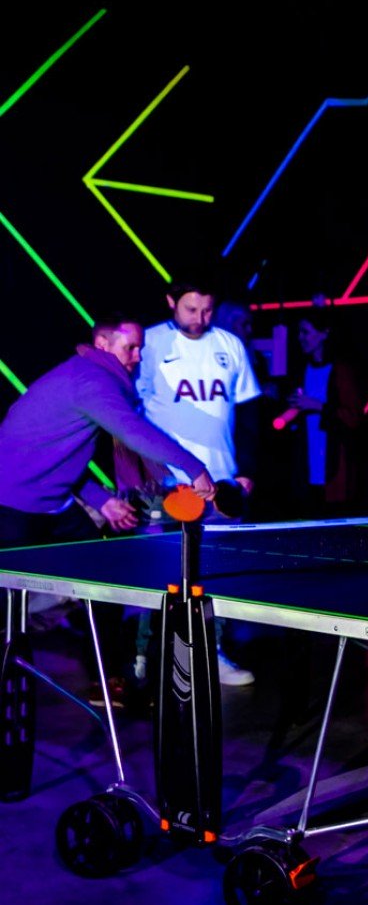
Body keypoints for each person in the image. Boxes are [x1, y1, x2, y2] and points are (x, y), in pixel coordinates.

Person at [0, 313, 215, 733]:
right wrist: (194, 467)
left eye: (140, 348)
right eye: (129, 347)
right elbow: (134, 431)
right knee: (10, 608)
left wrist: (102, 501)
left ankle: (108, 675)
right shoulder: (90, 379)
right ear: (102, 344)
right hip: (12, 505)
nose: (137, 356)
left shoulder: (88, 379)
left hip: (56, 505)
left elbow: (57, 454)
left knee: (102, 585)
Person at [136, 280, 262, 685]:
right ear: (171, 301)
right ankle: (143, 660)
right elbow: (128, 415)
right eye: (190, 309)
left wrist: (247, 470)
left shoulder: (230, 345)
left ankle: (213, 653)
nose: (199, 319)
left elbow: (249, 410)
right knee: (159, 576)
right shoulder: (149, 344)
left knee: (216, 575)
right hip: (165, 485)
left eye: (207, 310)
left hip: (222, 485)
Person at [283, 312, 366, 517]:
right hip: (306, 456)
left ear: (324, 333)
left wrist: (318, 405)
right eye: (299, 332)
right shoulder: (301, 369)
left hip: (334, 458)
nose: (301, 337)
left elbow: (353, 416)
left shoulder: (341, 370)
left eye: (306, 332)